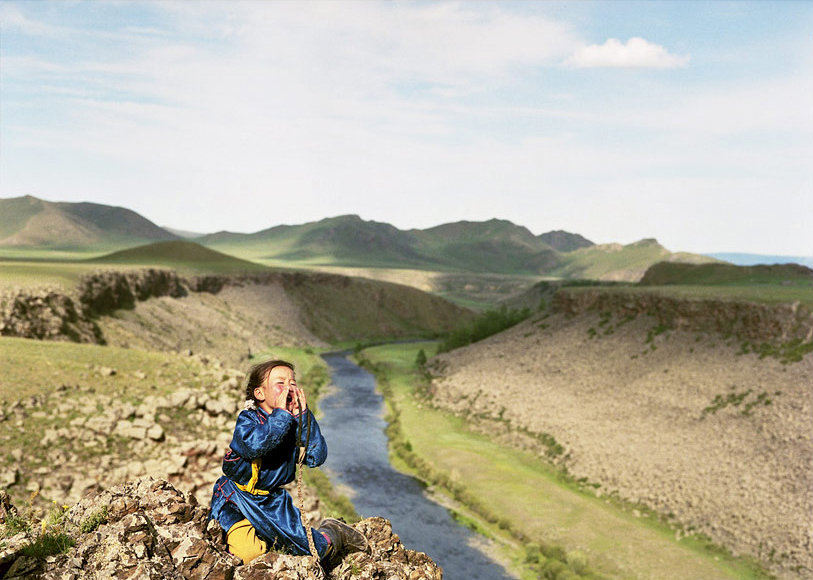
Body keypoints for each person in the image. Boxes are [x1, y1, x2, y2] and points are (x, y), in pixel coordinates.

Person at [209, 359, 367, 567]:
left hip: (272, 503)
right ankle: (260, 535)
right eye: (280, 383)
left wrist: (302, 417)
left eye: (292, 383)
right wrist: (283, 416)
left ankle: (333, 532)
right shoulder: (248, 420)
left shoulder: (293, 425)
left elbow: (316, 456)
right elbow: (255, 446)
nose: (289, 388)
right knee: (248, 555)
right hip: (236, 499)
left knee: (315, 551)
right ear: (260, 394)